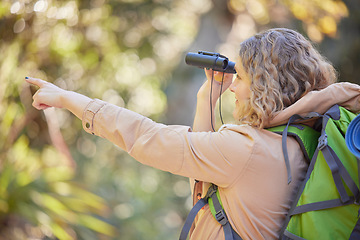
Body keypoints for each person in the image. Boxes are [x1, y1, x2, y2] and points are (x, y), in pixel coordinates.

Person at [25, 28, 360, 239]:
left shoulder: (247, 149)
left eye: (240, 78)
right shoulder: (309, 135)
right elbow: (207, 187)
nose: (235, 89)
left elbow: (148, 138)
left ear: (262, 88)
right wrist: (206, 99)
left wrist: (69, 98)